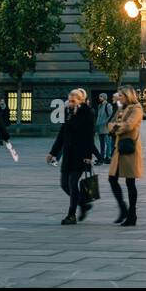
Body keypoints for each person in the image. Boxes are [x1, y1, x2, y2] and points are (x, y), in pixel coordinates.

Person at [47, 88, 96, 224]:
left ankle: (71, 215)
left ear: (80, 101)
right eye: (69, 100)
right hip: (68, 154)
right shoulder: (69, 113)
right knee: (64, 184)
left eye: (73, 101)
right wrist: (53, 153)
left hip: (80, 155)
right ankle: (84, 204)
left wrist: (88, 155)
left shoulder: (87, 113)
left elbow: (89, 135)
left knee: (73, 184)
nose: (70, 103)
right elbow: (62, 134)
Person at [106, 86, 143, 226]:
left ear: (128, 96)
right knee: (112, 179)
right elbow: (109, 124)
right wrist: (115, 127)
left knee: (130, 182)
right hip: (119, 148)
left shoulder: (137, 108)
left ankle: (132, 214)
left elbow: (129, 125)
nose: (119, 97)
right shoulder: (122, 108)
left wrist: (115, 128)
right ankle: (123, 208)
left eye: (121, 95)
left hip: (129, 149)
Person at [94, 93, 113, 165]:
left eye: (101, 96)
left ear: (104, 98)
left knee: (108, 143)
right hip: (99, 128)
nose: (99, 98)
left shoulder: (108, 105)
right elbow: (99, 116)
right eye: (99, 96)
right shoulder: (99, 106)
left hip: (105, 128)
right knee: (102, 144)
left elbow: (110, 115)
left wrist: (105, 123)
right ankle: (101, 157)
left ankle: (107, 157)